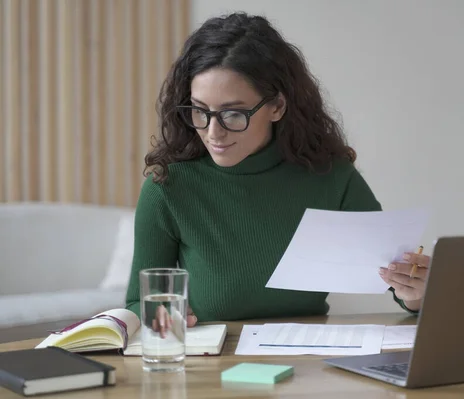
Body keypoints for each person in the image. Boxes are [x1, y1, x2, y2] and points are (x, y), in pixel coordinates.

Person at [124, 12, 431, 334]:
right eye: (199, 111)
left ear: (277, 106)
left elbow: (398, 290)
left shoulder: (331, 177)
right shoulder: (168, 187)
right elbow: (138, 302)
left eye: (233, 113)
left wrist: (416, 292)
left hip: (308, 361)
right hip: (212, 364)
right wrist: (162, 319)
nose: (214, 131)